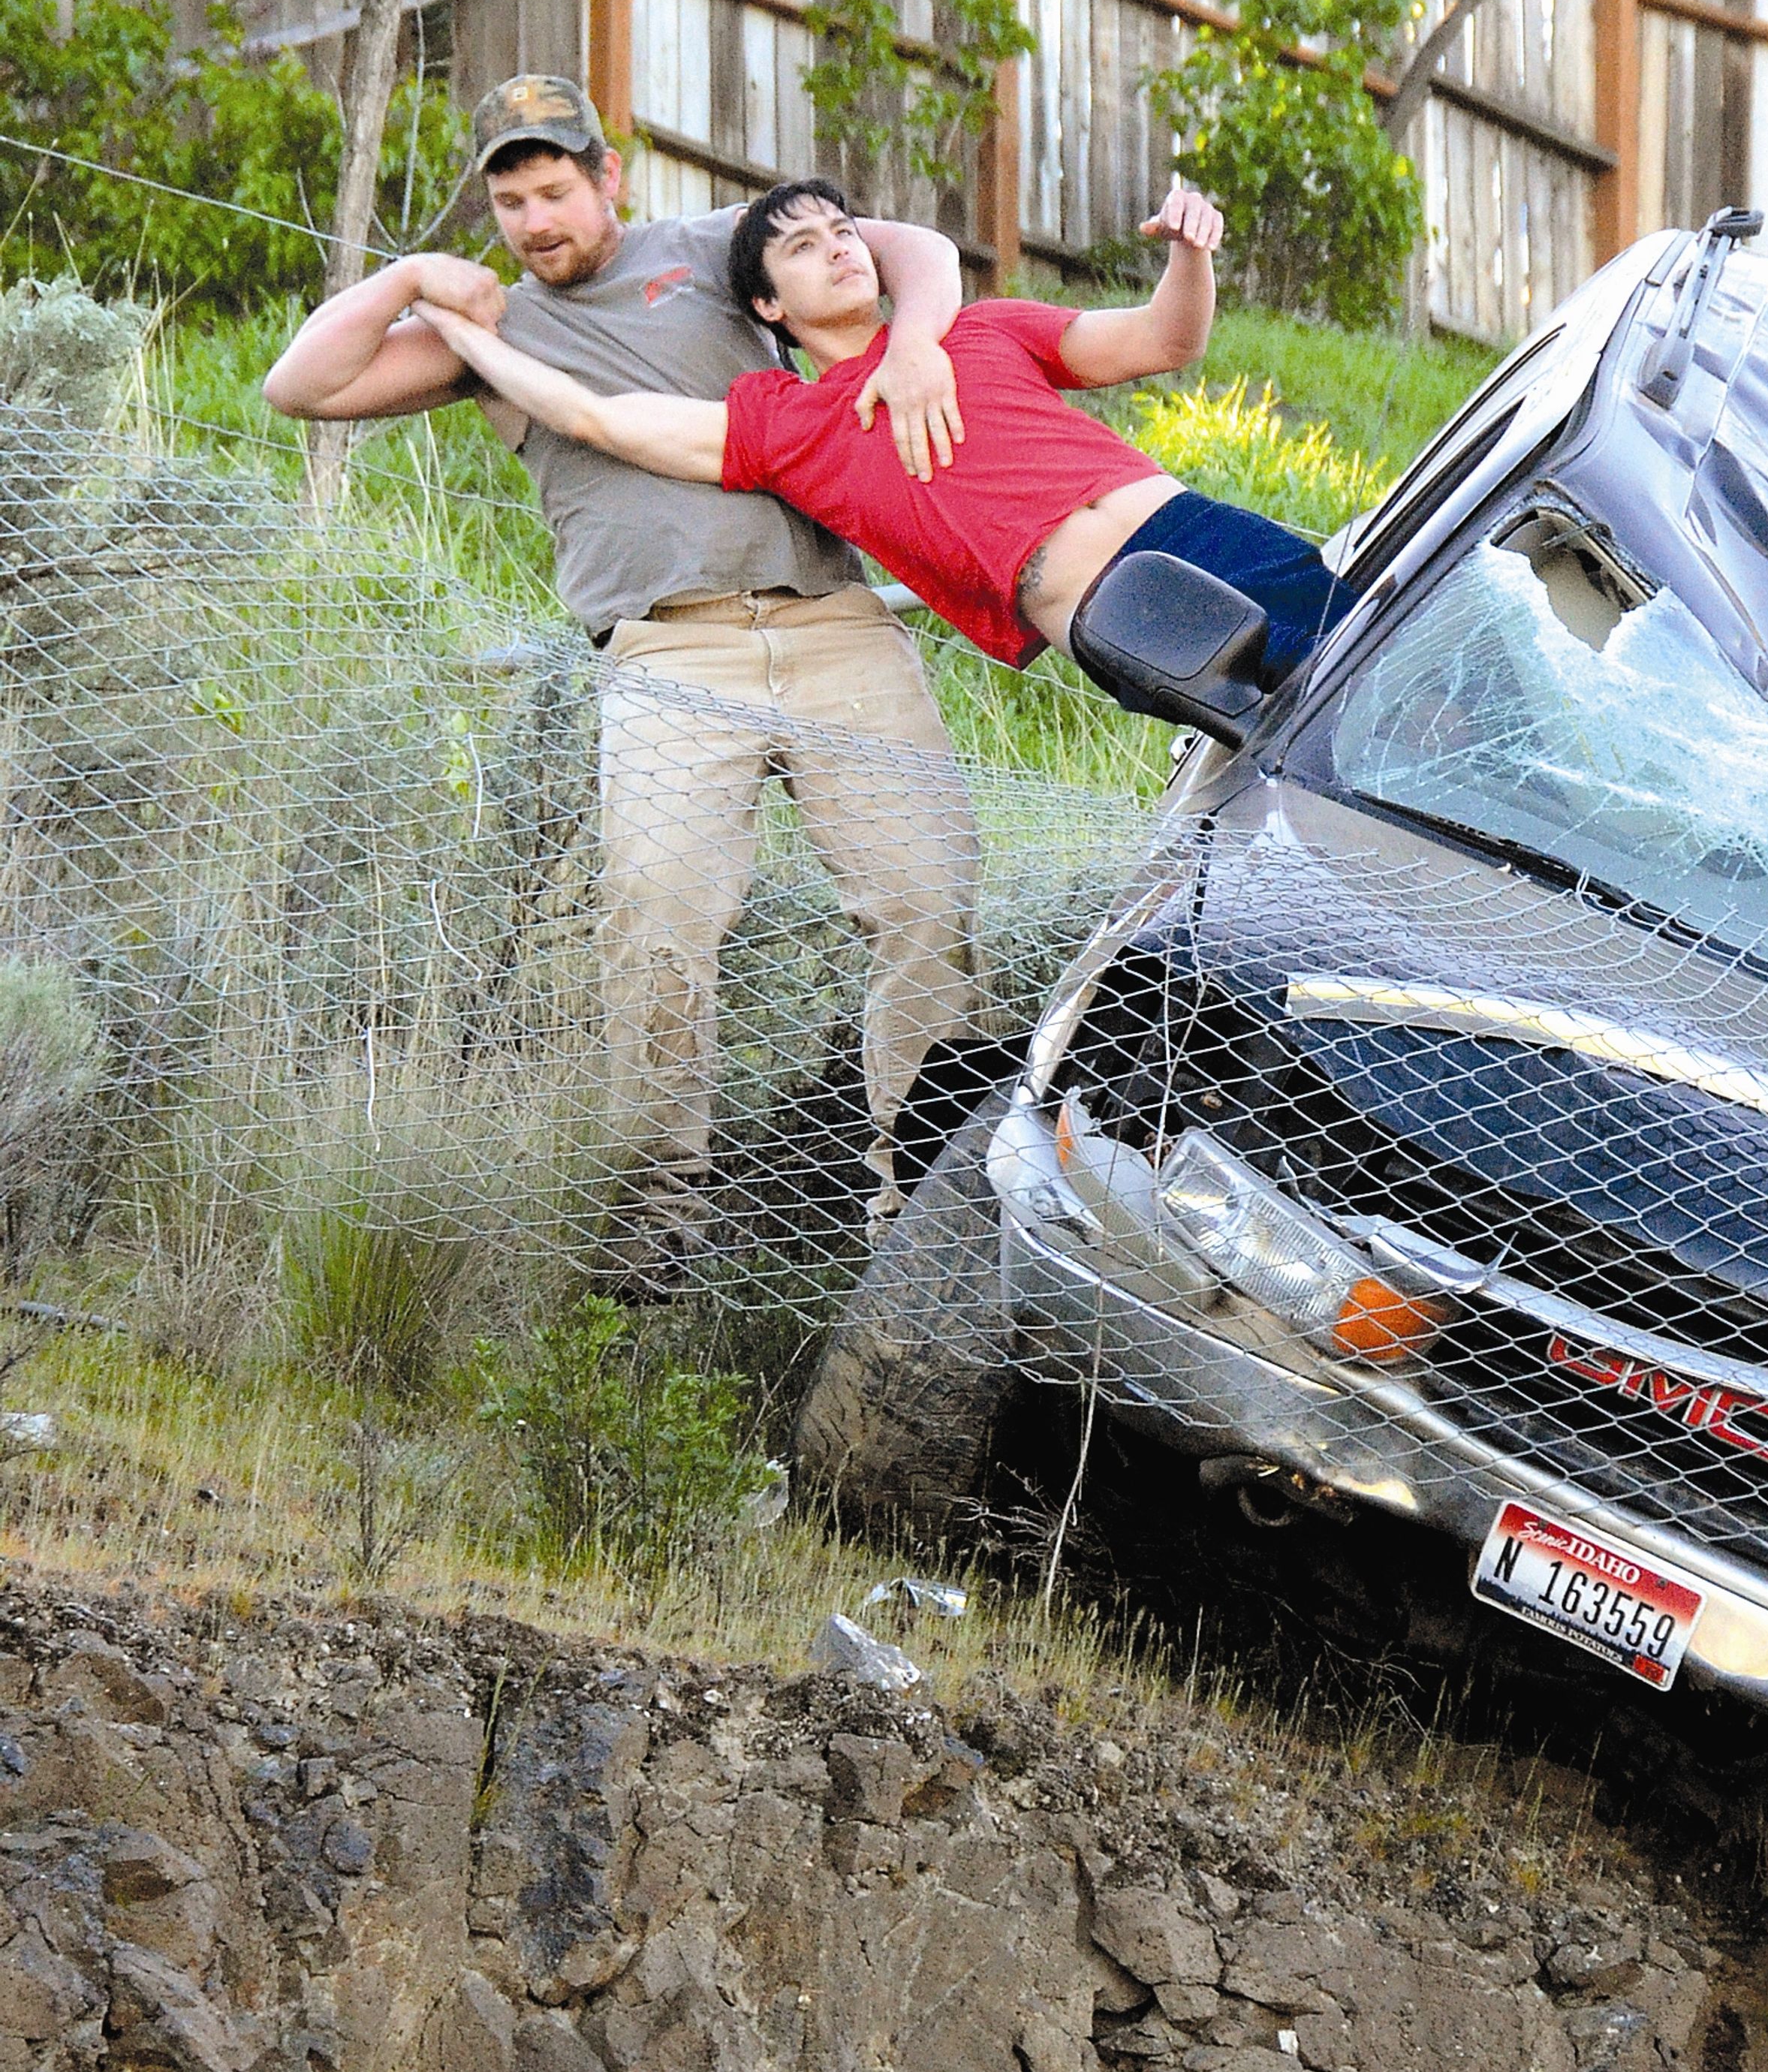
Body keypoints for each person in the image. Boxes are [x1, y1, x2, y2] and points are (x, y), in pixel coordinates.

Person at [264, 78, 989, 1270]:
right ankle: (658, 1225)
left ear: (611, 175)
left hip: (833, 623)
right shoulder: (489, 329)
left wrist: (915, 347)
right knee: (657, 917)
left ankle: (921, 1221)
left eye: (556, 189)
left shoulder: (704, 247)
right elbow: (301, 388)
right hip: (664, 652)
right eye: (511, 200)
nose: (537, 218)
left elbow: (913, 247)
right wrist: (405, 282)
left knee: (928, 901)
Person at [411, 170, 1354, 685]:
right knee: (1313, 748)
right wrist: (456, 327)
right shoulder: (791, 425)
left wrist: (1192, 253)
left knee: (1401, 670)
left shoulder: (976, 327)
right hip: (1114, 611)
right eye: (803, 246)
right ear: (767, 305)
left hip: (1194, 531)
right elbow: (594, 416)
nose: (839, 249)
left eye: (844, 231)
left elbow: (1164, 339)